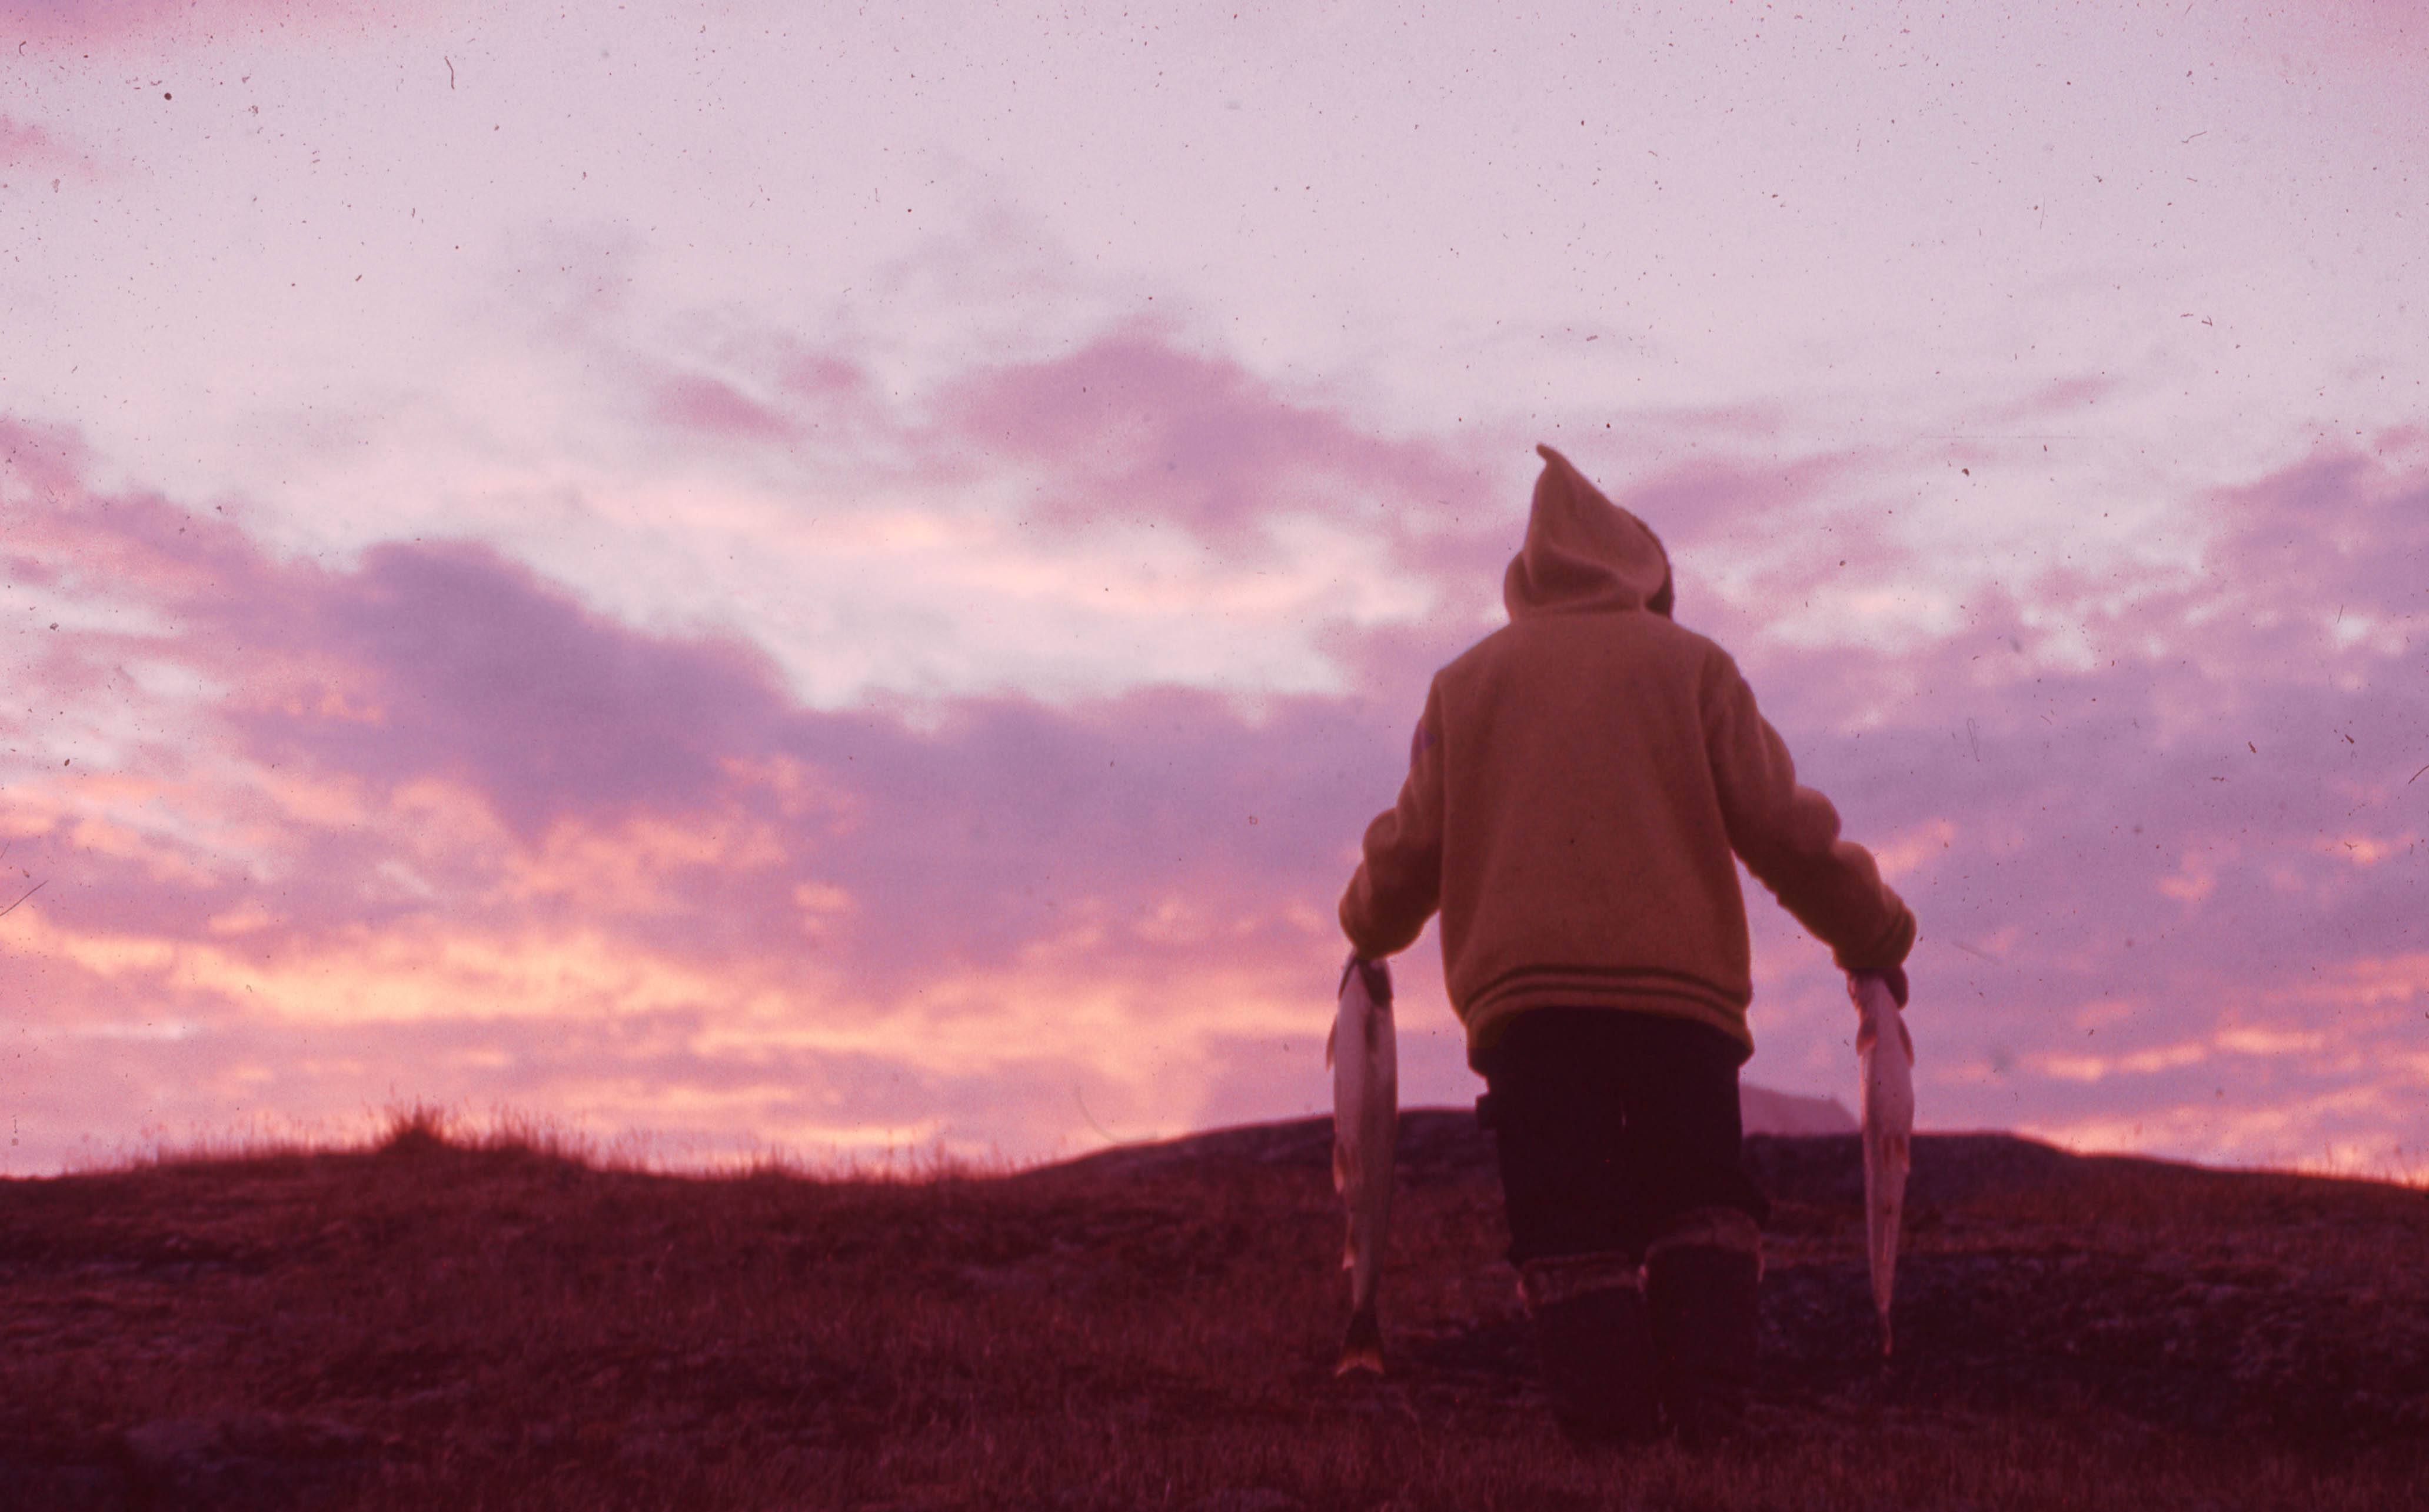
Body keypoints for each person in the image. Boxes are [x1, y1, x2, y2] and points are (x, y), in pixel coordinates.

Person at [1338, 445, 1915, 1447]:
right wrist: (1873, 930)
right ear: (1648, 575)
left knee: (1565, 1221)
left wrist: (1366, 928)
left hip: (1527, 1008)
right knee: (1699, 1199)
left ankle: (1610, 1439)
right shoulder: (1691, 665)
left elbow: (1411, 848)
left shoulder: (1465, 683)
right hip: (1679, 1002)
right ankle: (1708, 1421)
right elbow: (1783, 827)